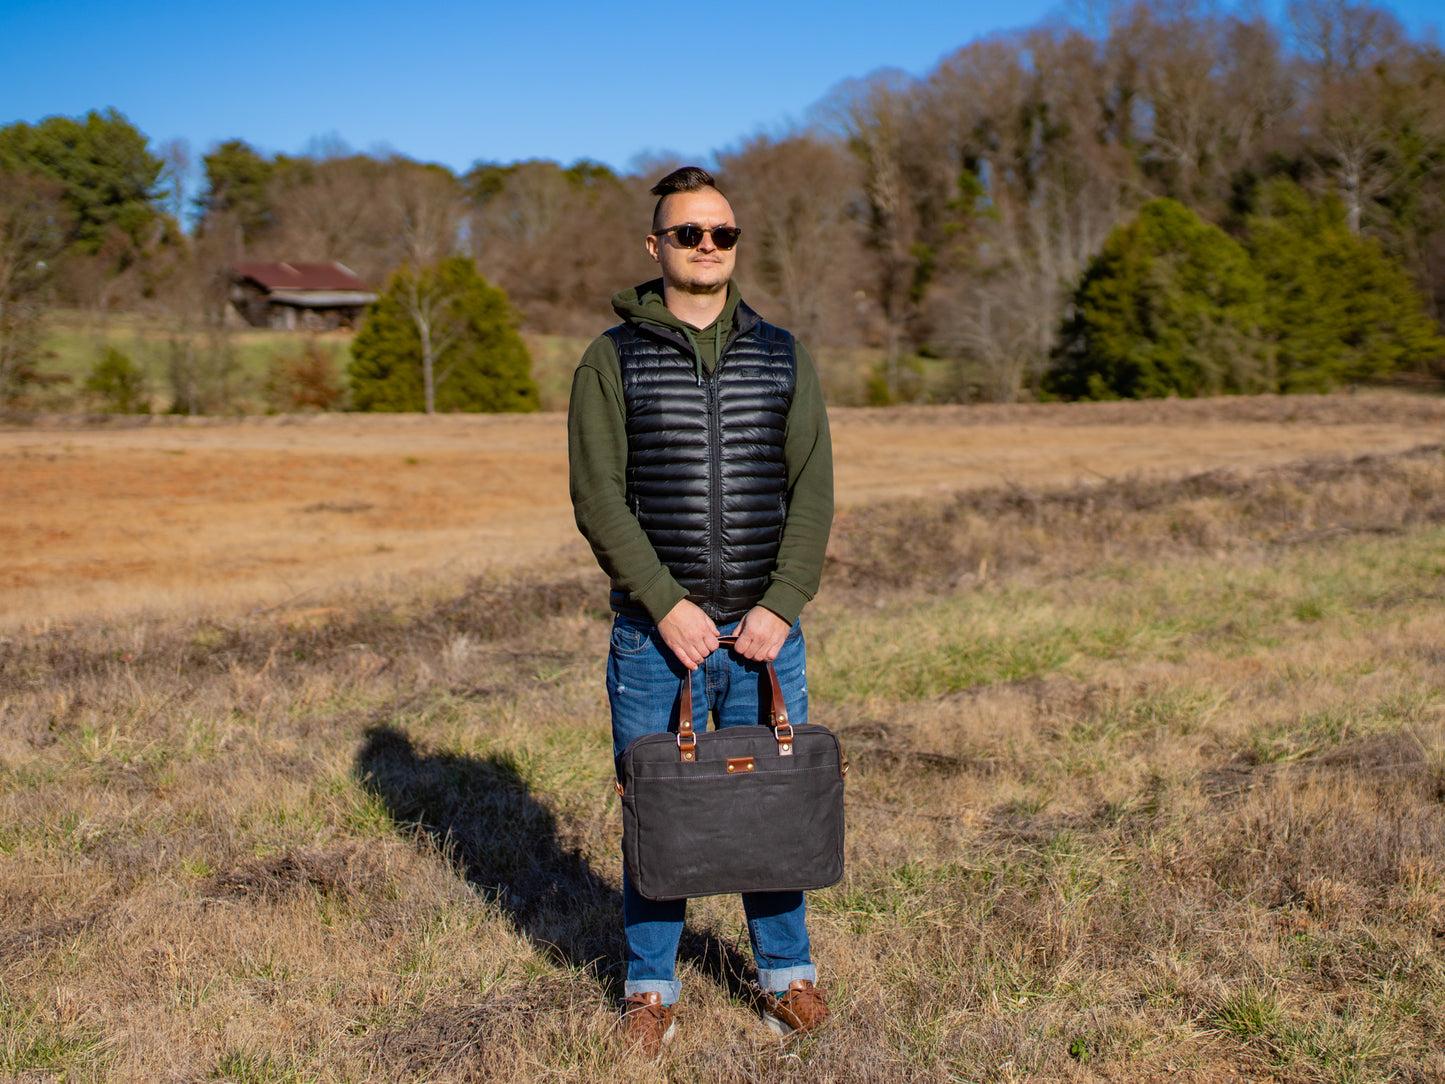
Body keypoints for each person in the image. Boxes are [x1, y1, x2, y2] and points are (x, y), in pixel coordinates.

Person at [567, 166, 834, 1055]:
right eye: (688, 234)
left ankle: (786, 977)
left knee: (772, 811)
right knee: (659, 815)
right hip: (655, 640)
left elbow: (812, 492)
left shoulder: (783, 353)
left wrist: (782, 605)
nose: (707, 247)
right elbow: (600, 499)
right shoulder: (611, 359)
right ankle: (649, 991)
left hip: (765, 638)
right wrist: (668, 605)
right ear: (656, 247)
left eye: (721, 233)